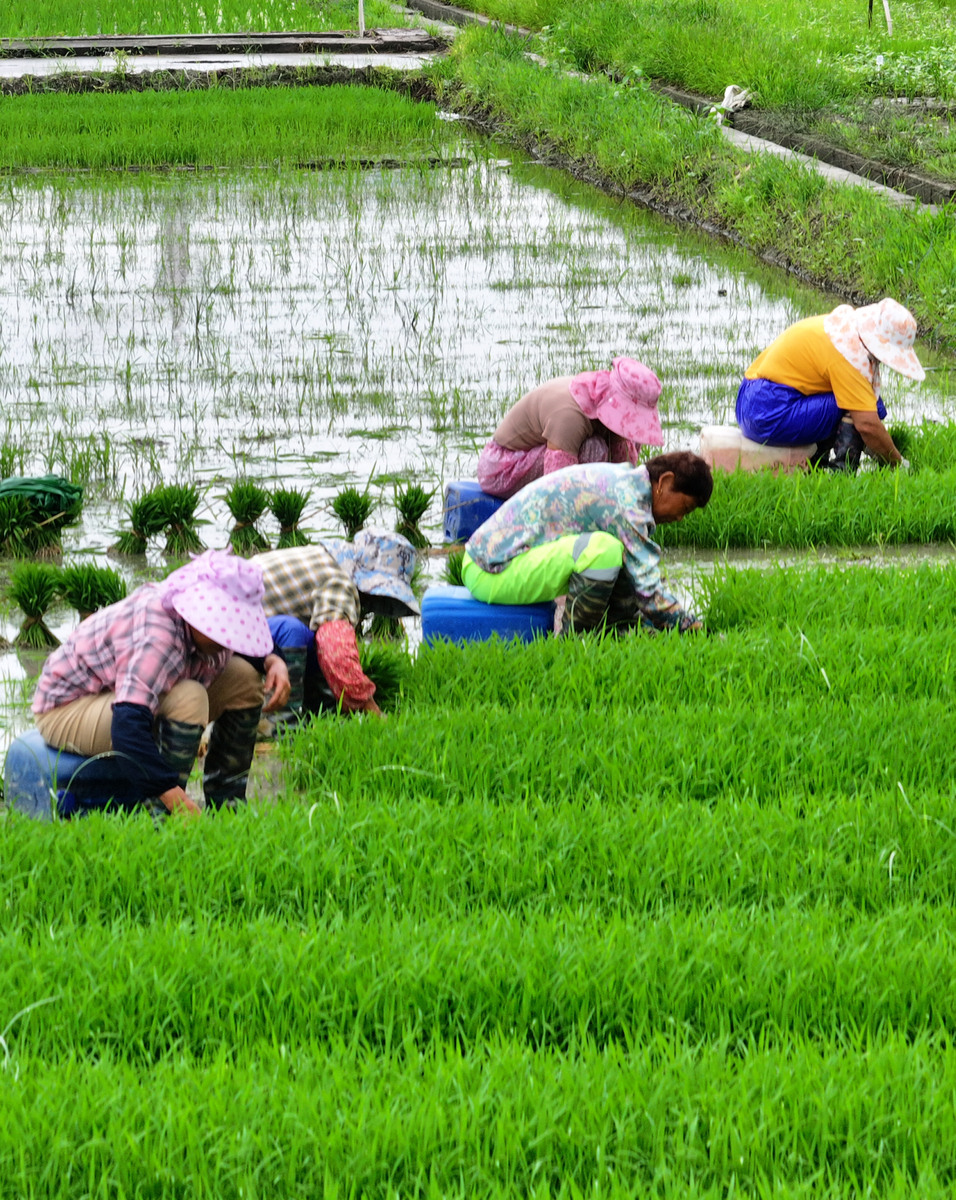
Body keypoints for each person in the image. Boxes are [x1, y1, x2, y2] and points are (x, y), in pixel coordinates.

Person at [32, 549, 290, 817]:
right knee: (189, 697)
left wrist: (274, 661)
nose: (230, 640)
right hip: (67, 709)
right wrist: (169, 793)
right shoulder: (159, 636)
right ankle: (161, 817)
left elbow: (252, 648)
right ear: (197, 614)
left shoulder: (209, 633)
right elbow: (127, 726)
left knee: (244, 678)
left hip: (122, 700)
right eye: (224, 630)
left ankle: (227, 804)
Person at [462, 452, 713, 636]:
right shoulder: (626, 503)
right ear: (665, 482)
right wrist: (692, 627)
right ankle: (576, 642)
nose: (680, 518)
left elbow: (635, 575)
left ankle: (615, 630)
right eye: (685, 507)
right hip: (489, 570)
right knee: (603, 551)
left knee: (619, 550)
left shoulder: (629, 485)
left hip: (497, 563)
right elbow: (648, 591)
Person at [736, 297, 924, 472]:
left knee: (868, 403)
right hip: (768, 412)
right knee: (860, 410)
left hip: (749, 401)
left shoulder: (842, 331)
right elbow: (867, 424)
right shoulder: (849, 356)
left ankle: (817, 465)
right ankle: (840, 476)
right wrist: (900, 465)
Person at [253, 530, 420, 722]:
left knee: (312, 638)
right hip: (235, 630)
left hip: (234, 626)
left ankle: (321, 714)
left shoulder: (328, 560)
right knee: (294, 631)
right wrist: (369, 707)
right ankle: (284, 727)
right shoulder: (340, 581)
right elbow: (336, 651)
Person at [477, 357, 664, 499]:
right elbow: (556, 483)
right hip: (501, 468)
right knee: (594, 450)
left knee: (628, 440)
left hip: (533, 457)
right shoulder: (570, 417)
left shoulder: (597, 397)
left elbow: (622, 466)